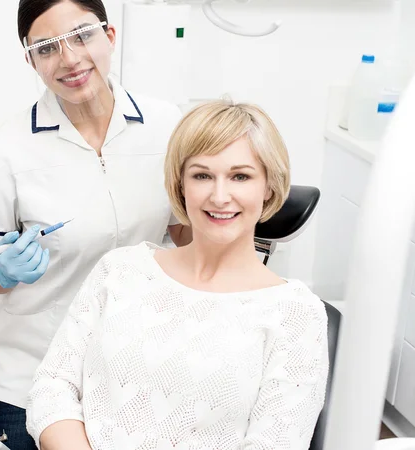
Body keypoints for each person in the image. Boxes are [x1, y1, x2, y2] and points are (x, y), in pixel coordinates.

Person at [26, 99, 329, 449]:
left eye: (240, 176)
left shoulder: (295, 312)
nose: (219, 195)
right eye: (202, 175)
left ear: (269, 187)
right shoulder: (120, 270)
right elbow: (53, 386)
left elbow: (276, 442)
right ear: (181, 186)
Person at [0, 0, 190, 448]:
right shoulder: (7, 147)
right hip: (25, 374)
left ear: (109, 36)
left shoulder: (169, 126)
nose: (69, 59)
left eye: (82, 35)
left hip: (129, 369)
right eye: (47, 48)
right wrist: (4, 269)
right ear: (30, 59)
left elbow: (183, 235)